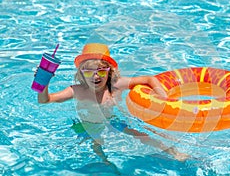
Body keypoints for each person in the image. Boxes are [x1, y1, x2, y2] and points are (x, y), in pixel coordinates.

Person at [38, 43, 189, 166]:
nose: (96, 76)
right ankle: (107, 168)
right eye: (88, 71)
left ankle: (173, 152)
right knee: (97, 148)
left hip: (112, 121)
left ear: (109, 71)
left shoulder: (116, 85)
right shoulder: (77, 90)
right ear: (81, 73)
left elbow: (149, 79)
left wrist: (163, 97)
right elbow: (45, 100)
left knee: (142, 134)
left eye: (101, 71)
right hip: (87, 125)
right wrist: (43, 83)